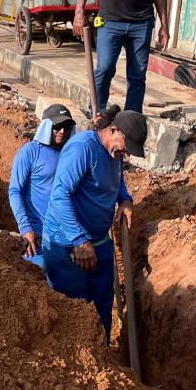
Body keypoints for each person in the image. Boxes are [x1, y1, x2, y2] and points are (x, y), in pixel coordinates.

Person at [42, 109, 148, 342]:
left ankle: (107, 363)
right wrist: (79, 240)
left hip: (99, 244)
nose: (126, 153)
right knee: (75, 316)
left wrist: (125, 199)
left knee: (102, 309)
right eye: (125, 145)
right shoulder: (82, 149)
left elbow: (117, 180)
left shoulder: (114, 154)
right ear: (112, 131)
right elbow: (60, 196)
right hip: (68, 247)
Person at [8, 104, 77, 268]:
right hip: (37, 239)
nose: (62, 132)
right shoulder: (30, 152)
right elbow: (15, 191)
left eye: (66, 127)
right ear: (46, 126)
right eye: (57, 127)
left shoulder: (71, 155)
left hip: (65, 237)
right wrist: (25, 228)